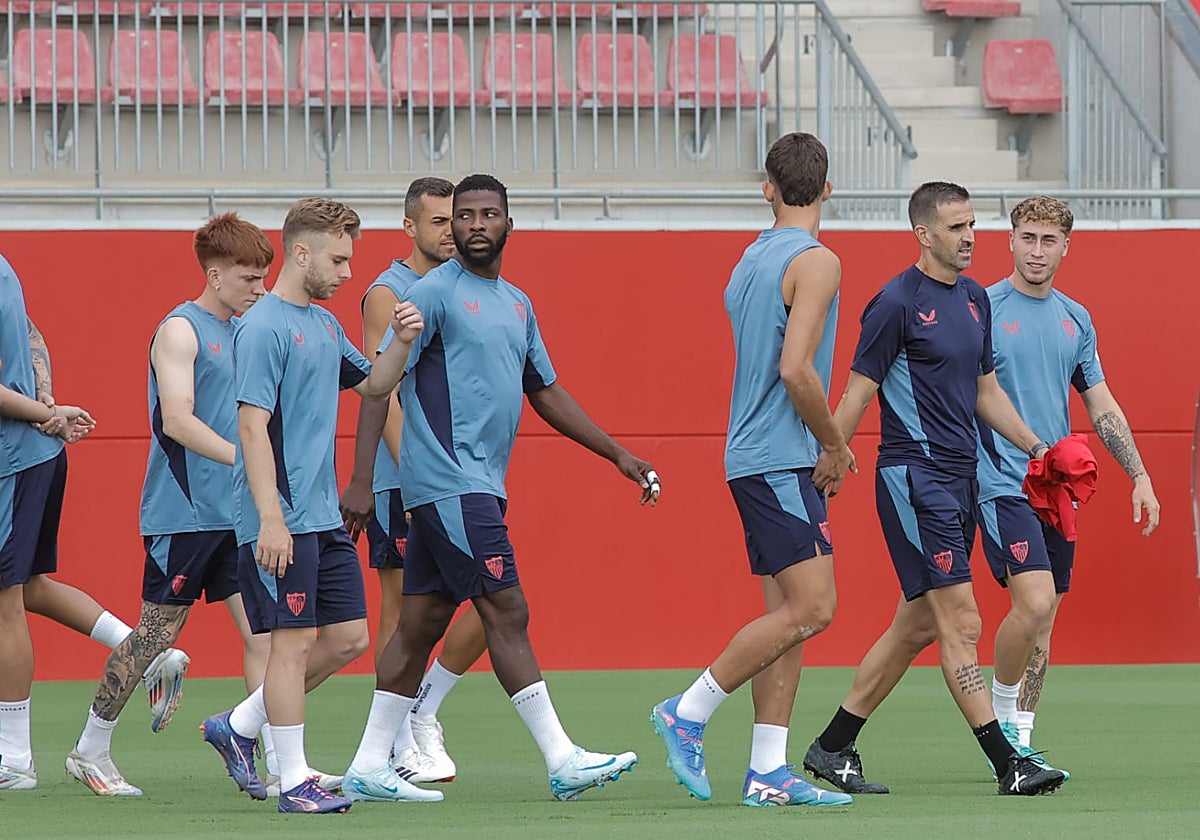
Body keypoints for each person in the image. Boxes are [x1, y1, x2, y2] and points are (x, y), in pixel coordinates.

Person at [340, 174, 656, 804]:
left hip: (474, 486)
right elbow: (379, 385)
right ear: (452, 227)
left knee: (419, 627)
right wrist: (362, 481)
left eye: (489, 214)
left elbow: (545, 390)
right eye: (464, 216)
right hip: (448, 484)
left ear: (509, 224)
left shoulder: (517, 303)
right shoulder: (430, 294)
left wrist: (616, 453)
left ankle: (370, 765)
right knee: (507, 610)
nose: (476, 224)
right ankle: (562, 758)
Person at [801, 182, 1066, 796]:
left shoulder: (974, 298)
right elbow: (858, 393)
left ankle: (833, 746)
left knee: (918, 624)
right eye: (955, 227)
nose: (969, 237)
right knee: (962, 622)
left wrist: (1038, 449)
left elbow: (985, 392)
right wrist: (829, 459)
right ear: (922, 234)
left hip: (962, 477)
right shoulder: (895, 302)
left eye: (972, 225)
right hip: (915, 480)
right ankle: (1008, 763)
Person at [200, 198, 430, 815]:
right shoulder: (262, 327)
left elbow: (375, 385)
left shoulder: (324, 326)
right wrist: (270, 519)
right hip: (281, 519)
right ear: (302, 253)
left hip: (324, 517)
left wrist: (402, 340)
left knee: (349, 638)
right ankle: (294, 780)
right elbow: (252, 428)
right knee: (294, 644)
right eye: (339, 260)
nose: (348, 273)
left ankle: (239, 725)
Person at [649, 133, 853, 807]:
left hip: (755, 456)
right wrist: (834, 444)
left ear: (768, 189)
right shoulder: (817, 260)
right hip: (781, 458)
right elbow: (796, 370)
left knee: (789, 617)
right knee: (816, 608)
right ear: (828, 190)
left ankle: (768, 771)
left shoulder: (749, 260)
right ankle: (689, 711)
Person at [65, 214, 285, 797]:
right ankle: (89, 750)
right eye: (249, 278)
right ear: (214, 274)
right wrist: (247, 460)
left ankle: (278, 763)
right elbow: (178, 421)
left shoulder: (246, 331)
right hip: (184, 515)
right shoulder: (180, 330)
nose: (260, 288)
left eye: (264, 277)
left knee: (266, 638)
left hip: (236, 516)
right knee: (153, 636)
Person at [977, 195, 1160, 774]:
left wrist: (1140, 475)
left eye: (1048, 241)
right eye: (1027, 238)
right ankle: (1000, 723)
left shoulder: (1075, 318)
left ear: (1066, 248)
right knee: (1032, 603)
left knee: (1046, 616)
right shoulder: (981, 308)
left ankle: (1022, 737)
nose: (1037, 251)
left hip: (1056, 490)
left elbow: (1100, 404)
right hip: (1000, 480)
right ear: (1010, 240)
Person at [339, 177, 488, 784]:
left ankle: (421, 708)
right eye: (438, 222)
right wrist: (416, 475)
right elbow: (384, 392)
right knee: (401, 612)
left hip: (459, 476)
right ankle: (398, 743)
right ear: (409, 227)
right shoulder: (388, 293)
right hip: (406, 480)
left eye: (456, 221)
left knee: (493, 603)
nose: (452, 232)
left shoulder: (465, 285)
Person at [0, 254, 96, 790]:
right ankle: (142, 650)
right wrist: (48, 402)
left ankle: (14, 760)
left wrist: (46, 412)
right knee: (30, 588)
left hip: (12, 458)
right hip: (29, 451)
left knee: (6, 602)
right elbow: (32, 335)